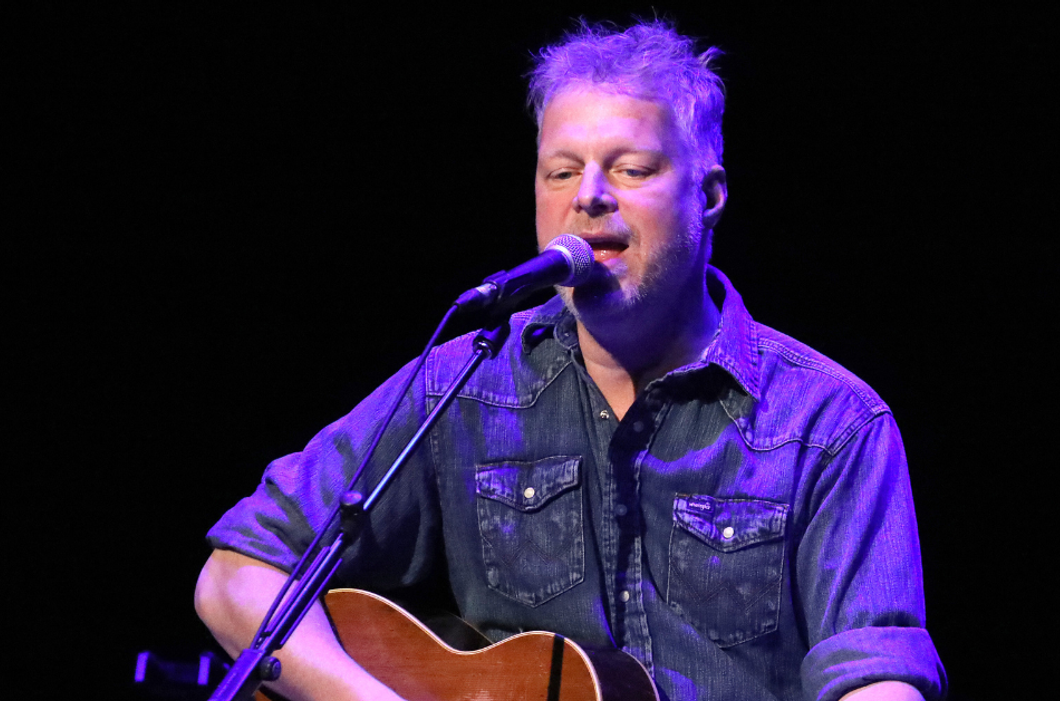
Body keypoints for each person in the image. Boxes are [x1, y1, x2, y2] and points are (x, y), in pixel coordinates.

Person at [195, 19, 947, 701]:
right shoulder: (465, 385)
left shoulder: (829, 423)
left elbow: (875, 674)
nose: (587, 197)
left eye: (630, 169)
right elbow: (236, 575)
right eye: (561, 172)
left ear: (708, 194)